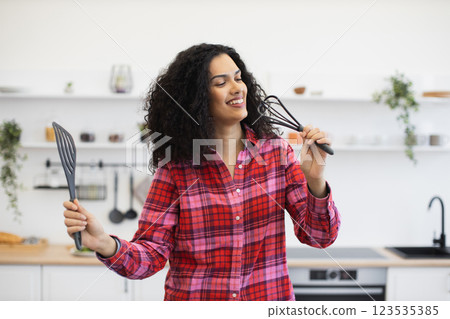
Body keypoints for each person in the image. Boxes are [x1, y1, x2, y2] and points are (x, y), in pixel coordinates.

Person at [63, 43, 341, 301]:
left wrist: (315, 181)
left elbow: (319, 237)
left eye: (238, 78)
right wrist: (103, 243)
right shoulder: (175, 169)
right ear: (196, 98)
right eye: (221, 82)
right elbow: (150, 256)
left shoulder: (276, 153)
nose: (236, 88)